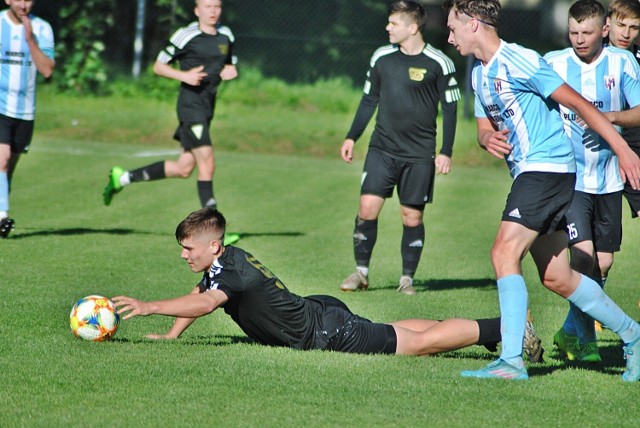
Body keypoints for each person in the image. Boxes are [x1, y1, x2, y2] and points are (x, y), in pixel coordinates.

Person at [443, 0, 640, 381]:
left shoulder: (521, 59)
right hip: (532, 173)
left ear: (473, 25)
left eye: (452, 28)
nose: (449, 36)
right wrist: (486, 138)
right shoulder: (479, 73)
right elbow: (485, 124)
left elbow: (579, 103)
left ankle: (512, 361)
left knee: (503, 251)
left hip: (546, 168)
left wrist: (623, 149)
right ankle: (632, 334)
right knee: (557, 277)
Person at [113, 207, 545, 362]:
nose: (184, 255)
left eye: (189, 248)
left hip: (325, 331)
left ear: (213, 245)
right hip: (318, 311)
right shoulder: (225, 260)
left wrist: (150, 307)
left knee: (415, 345)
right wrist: (171, 335)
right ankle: (501, 323)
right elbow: (198, 294)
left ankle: (505, 329)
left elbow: (206, 304)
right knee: (404, 332)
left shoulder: (233, 271)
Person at [339, 1, 460, 295]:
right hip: (382, 148)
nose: (387, 28)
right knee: (367, 208)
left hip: (419, 155)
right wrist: (351, 136)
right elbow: (369, 100)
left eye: (394, 23)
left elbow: (451, 109)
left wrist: (445, 151)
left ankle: (407, 278)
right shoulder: (382, 57)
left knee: (412, 217)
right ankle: (361, 273)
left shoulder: (439, 63)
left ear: (413, 27)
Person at [544, 0, 640, 364]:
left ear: (604, 30)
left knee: (603, 262)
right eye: (573, 33)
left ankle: (569, 330)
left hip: (609, 178)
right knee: (583, 260)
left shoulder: (622, 62)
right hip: (569, 179)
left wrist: (610, 117)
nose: (579, 40)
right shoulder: (553, 63)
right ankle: (585, 340)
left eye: (586, 33)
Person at [102, 0, 237, 213]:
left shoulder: (226, 35)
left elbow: (228, 62)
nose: (213, 11)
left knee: (183, 168)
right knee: (208, 164)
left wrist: (230, 70)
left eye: (217, 6)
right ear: (197, 10)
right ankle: (215, 232)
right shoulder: (186, 35)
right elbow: (158, 66)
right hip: (190, 107)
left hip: (207, 108)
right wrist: (184, 75)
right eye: (208, 6)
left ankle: (123, 178)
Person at [0, 0, 55, 238]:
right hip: (0, 107)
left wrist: (30, 39)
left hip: (25, 112)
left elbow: (47, 70)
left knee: (6, 170)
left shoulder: (42, 28)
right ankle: (2, 216)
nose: (24, 4)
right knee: (0, 162)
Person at [607, 0, 640, 219]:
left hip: (635, 143)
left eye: (634, 27)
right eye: (621, 25)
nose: (626, 33)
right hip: (601, 147)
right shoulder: (591, 52)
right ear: (607, 23)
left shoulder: (635, 57)